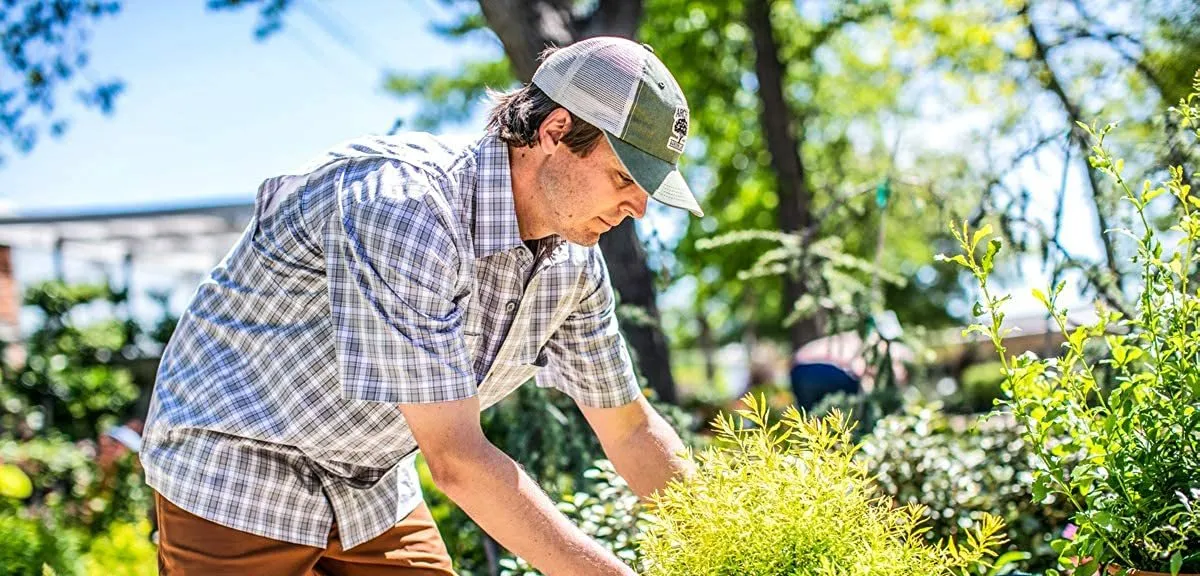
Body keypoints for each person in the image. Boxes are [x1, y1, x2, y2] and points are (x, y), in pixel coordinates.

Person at [142, 36, 702, 575]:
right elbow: (457, 461)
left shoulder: (572, 266)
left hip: (369, 482)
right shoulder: (407, 209)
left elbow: (628, 428)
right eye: (624, 178)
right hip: (238, 464)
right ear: (556, 131)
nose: (638, 208)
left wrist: (728, 538)